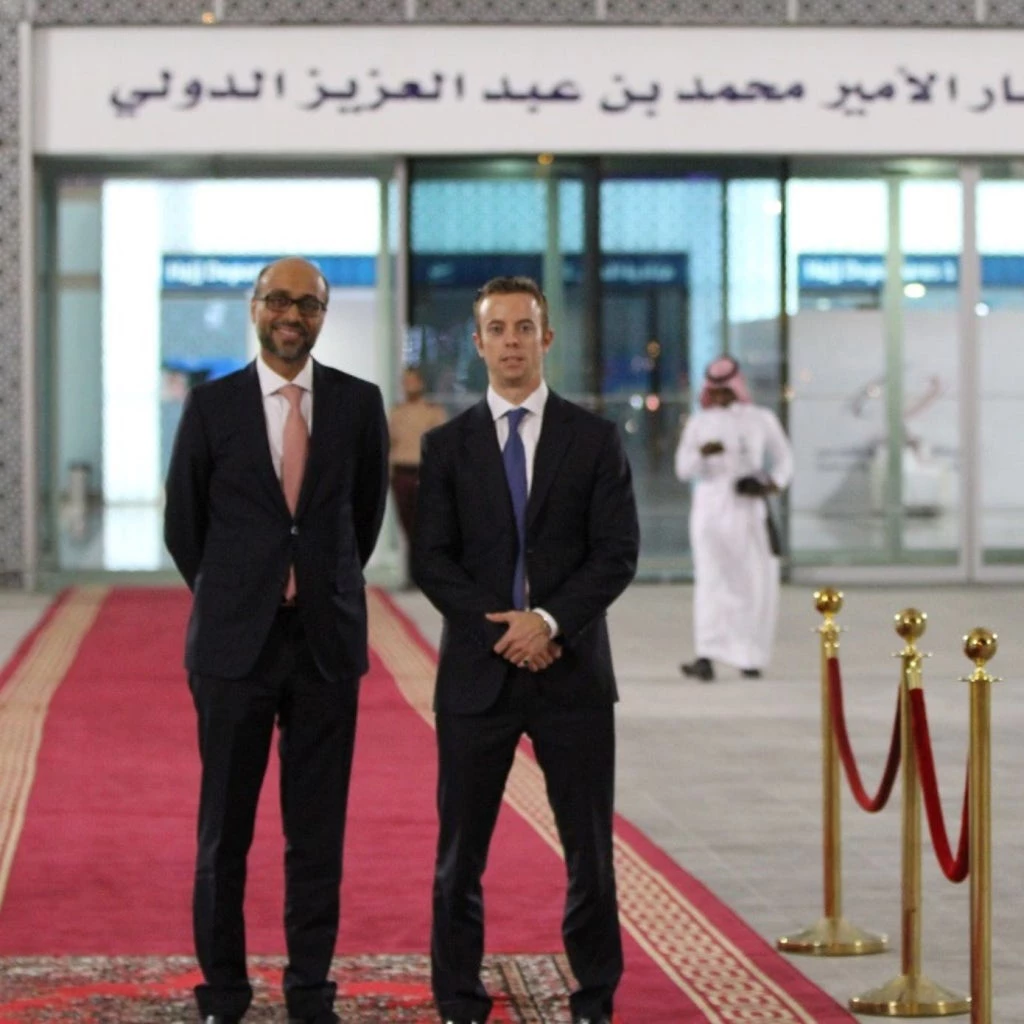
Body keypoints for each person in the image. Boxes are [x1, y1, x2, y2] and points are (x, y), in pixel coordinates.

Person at [164, 257, 389, 1024]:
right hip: (233, 651)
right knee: (224, 831)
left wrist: (312, 588)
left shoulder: (359, 406)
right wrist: (242, 594)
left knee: (316, 833)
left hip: (325, 646)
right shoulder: (211, 405)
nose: (293, 315)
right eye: (279, 301)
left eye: (309, 304)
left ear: (324, 315)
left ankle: (309, 990)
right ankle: (223, 992)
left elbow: (362, 521)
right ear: (254, 308)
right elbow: (184, 525)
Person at [413, 276, 639, 1024]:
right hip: (478, 675)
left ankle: (595, 999)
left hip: (572, 674)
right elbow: (433, 559)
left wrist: (549, 621)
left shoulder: (594, 439)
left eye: (524, 327)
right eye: (497, 329)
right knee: (460, 856)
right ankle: (457, 999)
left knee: (590, 855)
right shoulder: (445, 446)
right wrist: (507, 631)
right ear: (477, 344)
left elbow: (616, 554)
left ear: (547, 338)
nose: (511, 341)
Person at [673, 355, 793, 682]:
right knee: (711, 582)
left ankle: (749, 656)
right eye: (715, 390)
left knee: (754, 583)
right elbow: (682, 469)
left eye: (726, 389)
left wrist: (770, 484)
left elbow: (784, 461)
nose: (721, 396)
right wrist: (703, 454)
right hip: (710, 511)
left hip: (749, 512)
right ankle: (706, 654)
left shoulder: (761, 419)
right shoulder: (699, 423)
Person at [388, 366, 447, 586]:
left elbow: (441, 448)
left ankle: (429, 575)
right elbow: (389, 445)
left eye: (413, 381)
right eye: (405, 381)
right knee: (407, 527)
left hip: (424, 474)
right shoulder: (397, 412)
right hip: (402, 475)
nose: (408, 385)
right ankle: (413, 576)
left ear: (421, 383)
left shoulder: (433, 411)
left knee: (426, 528)